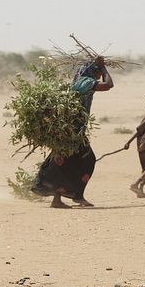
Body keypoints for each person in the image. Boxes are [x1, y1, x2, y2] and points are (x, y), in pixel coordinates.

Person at [31, 56, 114, 208]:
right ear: (93, 72)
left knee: (63, 162)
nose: (98, 76)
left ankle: (59, 198)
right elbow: (109, 84)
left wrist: (99, 67)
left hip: (71, 129)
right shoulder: (85, 82)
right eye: (97, 73)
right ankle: (77, 196)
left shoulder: (78, 81)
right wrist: (102, 67)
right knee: (87, 160)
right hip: (73, 130)